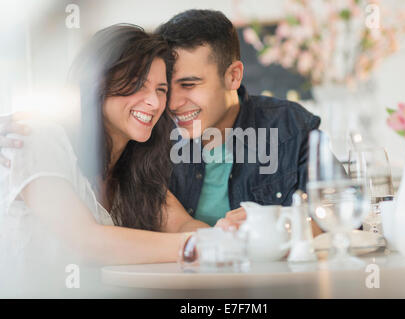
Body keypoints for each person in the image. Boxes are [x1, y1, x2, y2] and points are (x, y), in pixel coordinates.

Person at [0, 24, 224, 297]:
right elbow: (86, 240)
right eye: (139, 85)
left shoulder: (131, 168)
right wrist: (200, 245)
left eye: (161, 89)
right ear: (97, 83)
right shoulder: (37, 137)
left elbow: (181, 224)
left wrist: (224, 234)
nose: (154, 102)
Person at [155, 10, 322, 234]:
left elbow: (343, 218)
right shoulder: (153, 138)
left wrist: (279, 221)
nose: (172, 103)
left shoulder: (291, 126)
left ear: (233, 76)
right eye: (166, 87)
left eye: (189, 85)